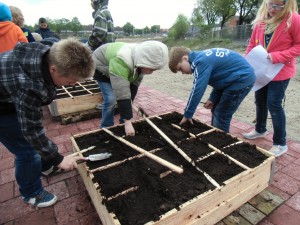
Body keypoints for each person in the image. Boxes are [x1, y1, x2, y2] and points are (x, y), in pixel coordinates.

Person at [0, 38, 95, 207]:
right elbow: (31, 130)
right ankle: (31, 193)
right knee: (27, 150)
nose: (72, 85)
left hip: (8, 92)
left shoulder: (50, 51)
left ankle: (45, 165)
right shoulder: (28, 86)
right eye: (70, 82)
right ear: (53, 70)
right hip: (3, 108)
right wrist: (58, 158)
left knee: (33, 143)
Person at [242, 0, 300, 157]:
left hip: (280, 70)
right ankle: (260, 129)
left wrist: (277, 56)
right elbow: (252, 44)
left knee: (274, 104)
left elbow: (298, 46)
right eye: (270, 4)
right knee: (259, 100)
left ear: (286, 4)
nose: (272, 9)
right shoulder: (261, 19)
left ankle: (280, 143)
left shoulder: (293, 19)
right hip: (261, 69)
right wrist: (248, 61)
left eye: (278, 6)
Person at [169, 47, 255, 133]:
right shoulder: (202, 58)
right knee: (216, 110)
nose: (183, 73)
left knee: (222, 114)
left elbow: (198, 89)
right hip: (233, 78)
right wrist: (212, 98)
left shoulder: (200, 62)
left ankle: (222, 140)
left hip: (241, 79)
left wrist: (188, 114)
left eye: (180, 68)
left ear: (185, 58)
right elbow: (220, 78)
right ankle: (216, 133)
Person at [92, 41, 168, 136]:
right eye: (151, 69)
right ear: (144, 61)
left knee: (127, 100)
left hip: (117, 67)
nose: (152, 72)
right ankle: (106, 127)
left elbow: (132, 89)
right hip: (102, 68)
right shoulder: (122, 59)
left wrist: (128, 108)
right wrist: (128, 122)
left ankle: (122, 123)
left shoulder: (140, 62)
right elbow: (122, 91)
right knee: (111, 99)